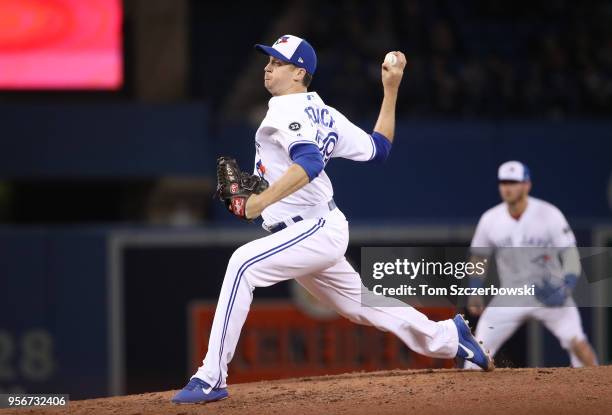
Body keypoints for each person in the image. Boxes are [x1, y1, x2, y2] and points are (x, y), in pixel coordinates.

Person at [172, 34, 493, 404]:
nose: (268, 66)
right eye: (269, 60)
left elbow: (309, 163)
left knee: (242, 264)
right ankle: (451, 337)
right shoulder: (323, 112)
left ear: (299, 73)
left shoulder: (285, 109)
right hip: (317, 227)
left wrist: (258, 202)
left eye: (277, 62)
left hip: (312, 228)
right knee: (361, 306)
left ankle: (211, 376)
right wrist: (391, 89)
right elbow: (379, 149)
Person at [465, 160, 598, 369]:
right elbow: (479, 257)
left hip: (550, 291)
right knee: (476, 350)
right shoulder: (490, 219)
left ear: (527, 185)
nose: (507, 187)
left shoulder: (549, 214)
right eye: (503, 182)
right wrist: (474, 289)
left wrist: (566, 286)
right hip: (511, 294)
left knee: (578, 345)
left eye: (513, 182)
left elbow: (570, 254)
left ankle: (601, 395)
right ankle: (462, 399)